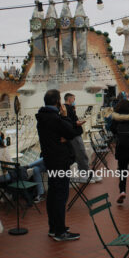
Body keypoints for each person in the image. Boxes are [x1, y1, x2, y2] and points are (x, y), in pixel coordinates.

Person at [36, 89, 80, 241]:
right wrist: (66, 117)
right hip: (60, 161)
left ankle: (54, 228)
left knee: (54, 194)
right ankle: (60, 231)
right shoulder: (54, 118)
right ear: (57, 101)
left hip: (50, 160)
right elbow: (70, 132)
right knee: (61, 195)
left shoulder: (42, 116)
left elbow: (63, 134)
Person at [64, 93, 88, 173]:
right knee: (81, 154)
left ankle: (84, 172)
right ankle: (85, 174)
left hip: (74, 134)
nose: (74, 101)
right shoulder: (66, 109)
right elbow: (67, 122)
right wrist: (76, 124)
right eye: (74, 99)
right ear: (69, 99)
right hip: (74, 135)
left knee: (80, 154)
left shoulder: (69, 108)